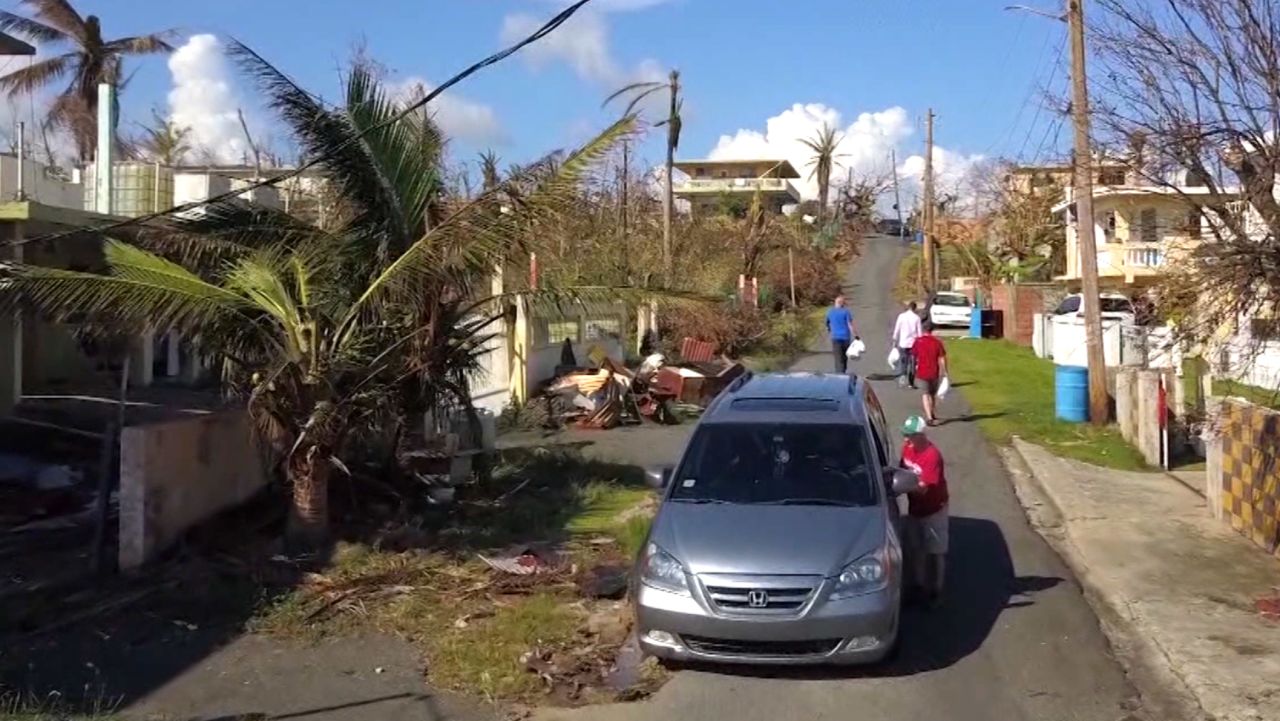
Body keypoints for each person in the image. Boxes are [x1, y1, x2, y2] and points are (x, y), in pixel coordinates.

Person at [899, 415, 949, 608]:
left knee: (936, 550)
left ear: (921, 435)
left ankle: (937, 589)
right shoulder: (908, 449)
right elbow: (903, 470)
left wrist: (904, 486)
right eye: (905, 435)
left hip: (933, 508)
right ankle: (918, 586)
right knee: (916, 548)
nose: (906, 440)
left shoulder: (932, 456)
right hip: (915, 509)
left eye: (910, 436)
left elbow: (924, 488)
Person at [911, 320, 948, 425]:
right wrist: (945, 371)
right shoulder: (937, 343)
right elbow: (942, 358)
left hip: (922, 371)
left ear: (923, 329)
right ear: (932, 330)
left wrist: (912, 370)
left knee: (925, 394)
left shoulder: (918, 341)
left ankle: (929, 417)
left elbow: (913, 356)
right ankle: (932, 413)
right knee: (932, 394)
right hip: (934, 371)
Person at [891, 301, 923, 388]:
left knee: (903, 361)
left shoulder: (901, 316)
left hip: (903, 343)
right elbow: (919, 333)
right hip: (913, 344)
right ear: (915, 308)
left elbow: (897, 329)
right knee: (913, 363)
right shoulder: (917, 318)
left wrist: (894, 341)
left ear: (908, 307)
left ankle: (903, 376)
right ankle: (911, 382)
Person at [825, 294, 859, 374]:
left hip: (835, 338)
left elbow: (827, 323)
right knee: (844, 358)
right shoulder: (846, 312)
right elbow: (850, 325)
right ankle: (842, 372)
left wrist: (829, 329)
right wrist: (856, 335)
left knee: (838, 359)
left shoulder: (830, 312)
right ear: (842, 303)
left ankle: (840, 375)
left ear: (835, 303)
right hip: (845, 338)